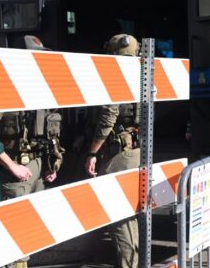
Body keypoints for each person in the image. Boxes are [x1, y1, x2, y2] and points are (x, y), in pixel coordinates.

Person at [0, 36, 65, 268]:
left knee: (30, 233)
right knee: (14, 237)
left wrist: (53, 164)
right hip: (14, 171)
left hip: (38, 170)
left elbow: (51, 136)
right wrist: (11, 166)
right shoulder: (3, 91)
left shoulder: (42, 93)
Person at [84, 34, 140, 268]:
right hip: (135, 149)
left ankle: (128, 265)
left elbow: (108, 118)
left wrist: (92, 152)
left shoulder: (116, 76)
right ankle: (134, 262)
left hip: (118, 153)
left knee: (119, 215)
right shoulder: (142, 73)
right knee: (130, 213)